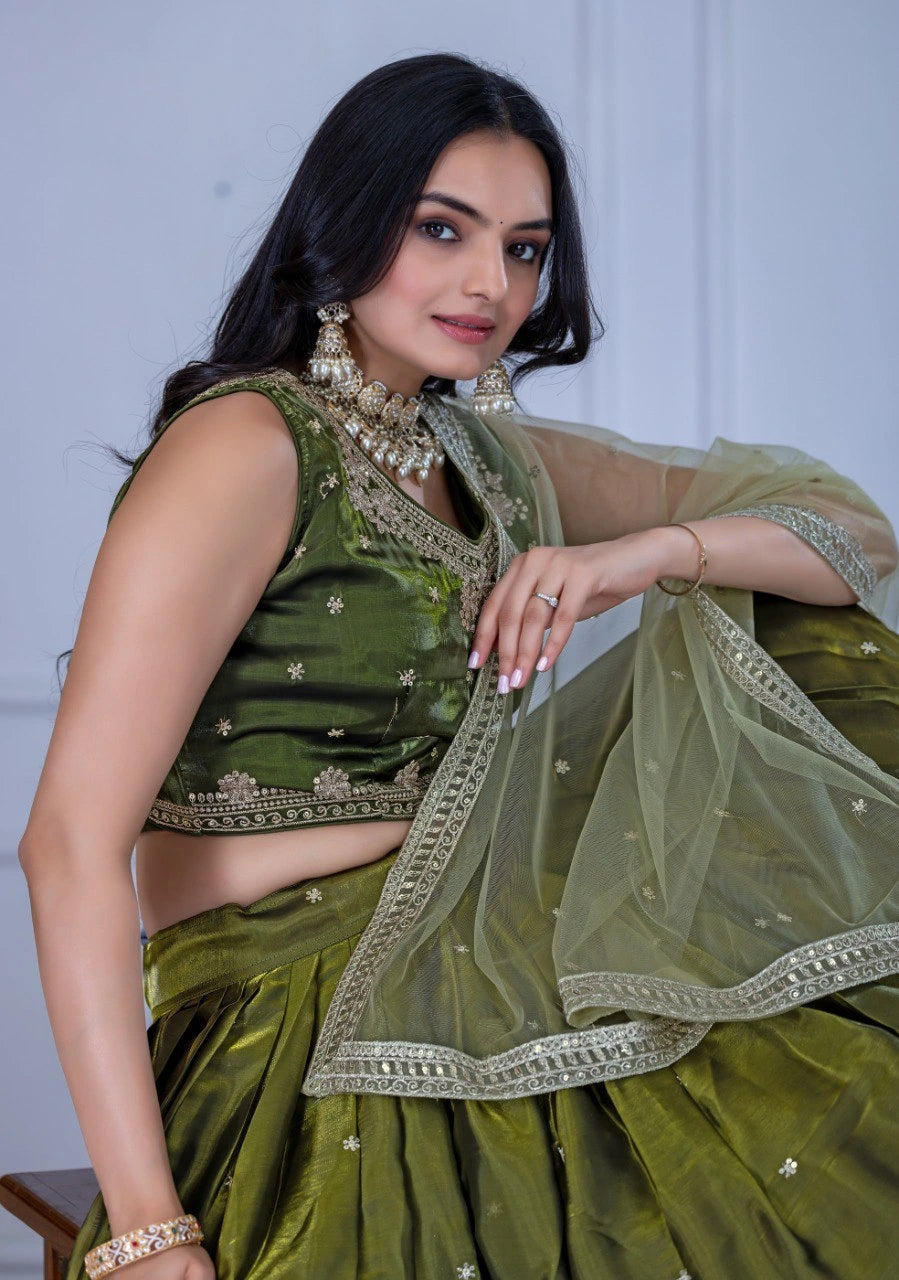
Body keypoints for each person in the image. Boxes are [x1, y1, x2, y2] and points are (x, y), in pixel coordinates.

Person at [17, 52, 899, 1280]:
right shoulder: (250, 445)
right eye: (443, 228)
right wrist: (147, 1233)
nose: (491, 284)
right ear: (345, 220)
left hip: (483, 942)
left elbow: (848, 536)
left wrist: (646, 555)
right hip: (297, 997)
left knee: (816, 660)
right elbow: (67, 844)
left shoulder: (483, 458)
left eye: (524, 248)